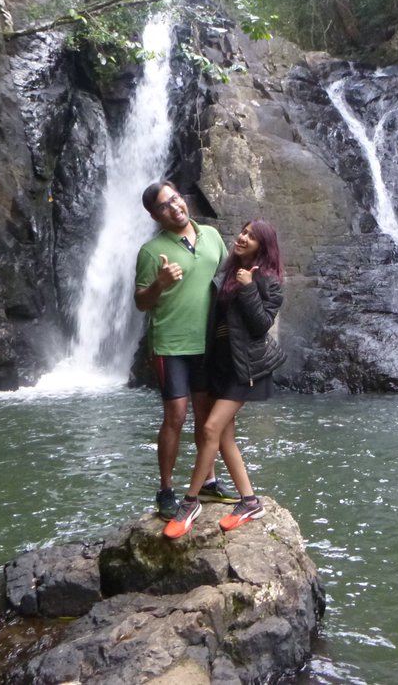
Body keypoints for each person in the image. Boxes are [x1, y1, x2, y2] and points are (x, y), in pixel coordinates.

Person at [164, 219, 286, 538]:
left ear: (264, 246)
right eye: (243, 232)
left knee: (209, 428)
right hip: (219, 363)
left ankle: (190, 501)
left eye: (251, 236)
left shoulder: (268, 280)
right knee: (225, 437)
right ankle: (249, 500)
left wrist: (248, 288)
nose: (242, 238)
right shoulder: (228, 270)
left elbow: (260, 325)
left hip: (244, 368)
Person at [134, 180, 238, 519]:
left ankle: (208, 481)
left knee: (206, 416)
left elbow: (229, 279)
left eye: (175, 198)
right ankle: (165, 489)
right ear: (155, 215)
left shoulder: (212, 236)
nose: (174, 207)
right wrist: (159, 283)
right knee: (175, 416)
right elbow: (140, 303)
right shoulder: (151, 252)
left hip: (207, 343)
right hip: (171, 344)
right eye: (164, 206)